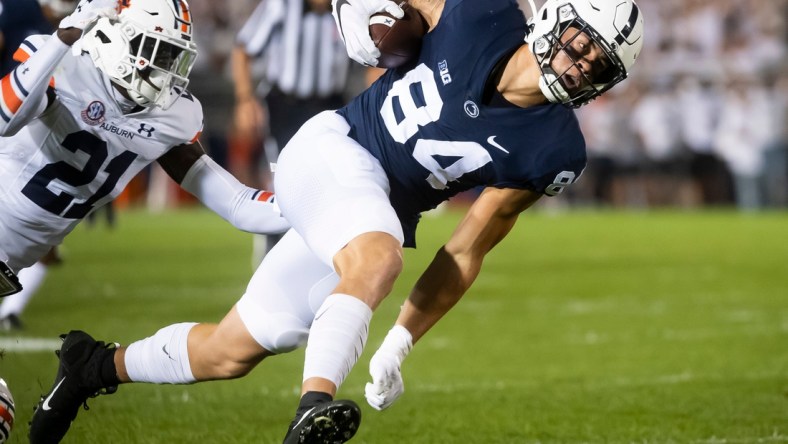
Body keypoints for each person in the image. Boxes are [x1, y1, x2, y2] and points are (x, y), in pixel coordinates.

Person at [29, 0, 644, 443]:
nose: (582, 65)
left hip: (368, 213)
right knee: (377, 259)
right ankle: (313, 409)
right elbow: (384, 13)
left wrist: (399, 342)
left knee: (232, 350)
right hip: (334, 150)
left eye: (601, 65)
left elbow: (465, 250)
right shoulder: (483, 12)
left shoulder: (554, 152)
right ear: (556, 18)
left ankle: (90, 367)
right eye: (583, 42)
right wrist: (362, 17)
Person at [0, 0, 289, 302]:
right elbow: (3, 120)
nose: (166, 67)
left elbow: (237, 204)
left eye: (172, 55)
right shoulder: (61, 65)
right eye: (156, 50)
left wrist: (316, 207)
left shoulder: (170, 117)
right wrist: (62, 38)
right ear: (115, 38)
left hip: (11, 262)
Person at [231, 0, 355, 264]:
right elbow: (243, 49)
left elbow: (374, 60)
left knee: (329, 182)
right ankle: (272, 241)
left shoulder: (349, 7)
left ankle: (317, 253)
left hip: (330, 106)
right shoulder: (281, 5)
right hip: (284, 105)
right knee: (283, 175)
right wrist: (245, 99)